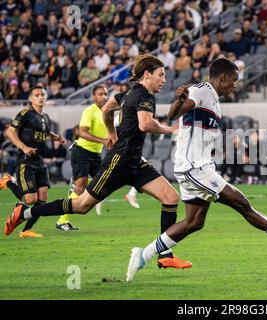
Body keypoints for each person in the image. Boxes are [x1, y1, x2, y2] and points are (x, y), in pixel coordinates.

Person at [125, 58, 267, 282]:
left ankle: (142, 255)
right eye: (233, 80)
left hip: (197, 166)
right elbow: (174, 114)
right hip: (194, 167)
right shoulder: (201, 89)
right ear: (222, 77)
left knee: (194, 222)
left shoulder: (214, 99)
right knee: (241, 202)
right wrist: (179, 100)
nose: (235, 85)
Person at [4, 54, 192, 270]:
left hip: (134, 162)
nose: (164, 80)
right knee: (81, 206)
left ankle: (165, 254)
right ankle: (25, 212)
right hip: (119, 162)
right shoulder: (144, 95)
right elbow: (145, 124)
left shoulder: (127, 93)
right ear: (147, 74)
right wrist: (170, 129)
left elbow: (107, 108)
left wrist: (112, 133)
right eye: (161, 75)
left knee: (170, 197)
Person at [0, 86, 66, 238]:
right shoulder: (26, 113)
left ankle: (25, 230)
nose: (40, 97)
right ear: (31, 98)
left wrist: (57, 137)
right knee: (30, 199)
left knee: (42, 199)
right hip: (26, 160)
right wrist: (23, 147)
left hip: (39, 160)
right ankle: (7, 181)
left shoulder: (45, 116)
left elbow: (45, 133)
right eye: (37, 95)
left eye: (42, 94)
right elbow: (9, 131)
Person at [56, 85, 110, 231]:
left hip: (95, 154)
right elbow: (83, 133)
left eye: (105, 94)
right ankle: (62, 221)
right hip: (81, 152)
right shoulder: (89, 111)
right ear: (94, 97)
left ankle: (76, 191)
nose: (104, 97)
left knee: (104, 181)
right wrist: (103, 141)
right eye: (100, 94)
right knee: (81, 187)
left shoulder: (107, 111)